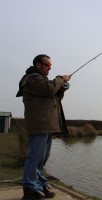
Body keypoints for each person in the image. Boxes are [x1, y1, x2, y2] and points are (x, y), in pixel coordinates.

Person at [16, 54, 71, 200]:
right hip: (39, 125)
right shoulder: (32, 78)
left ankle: (40, 185)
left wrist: (61, 89)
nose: (50, 68)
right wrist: (60, 79)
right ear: (38, 65)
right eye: (48, 65)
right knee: (35, 157)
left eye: (51, 66)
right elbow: (47, 89)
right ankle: (30, 189)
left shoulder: (43, 81)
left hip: (46, 125)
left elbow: (52, 96)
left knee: (42, 158)